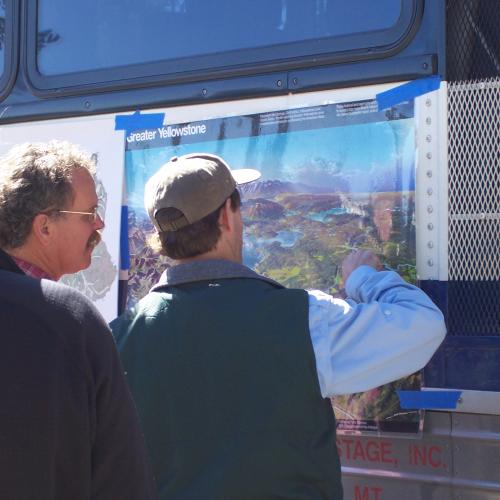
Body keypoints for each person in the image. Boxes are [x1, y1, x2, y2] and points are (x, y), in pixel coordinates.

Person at [111, 153, 446, 500]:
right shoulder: (305, 319)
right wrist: (364, 278)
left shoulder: (115, 339)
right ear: (227, 216)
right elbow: (424, 325)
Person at [0, 141, 157, 500]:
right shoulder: (68, 318)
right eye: (89, 214)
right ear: (44, 228)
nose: (100, 224)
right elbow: (121, 478)